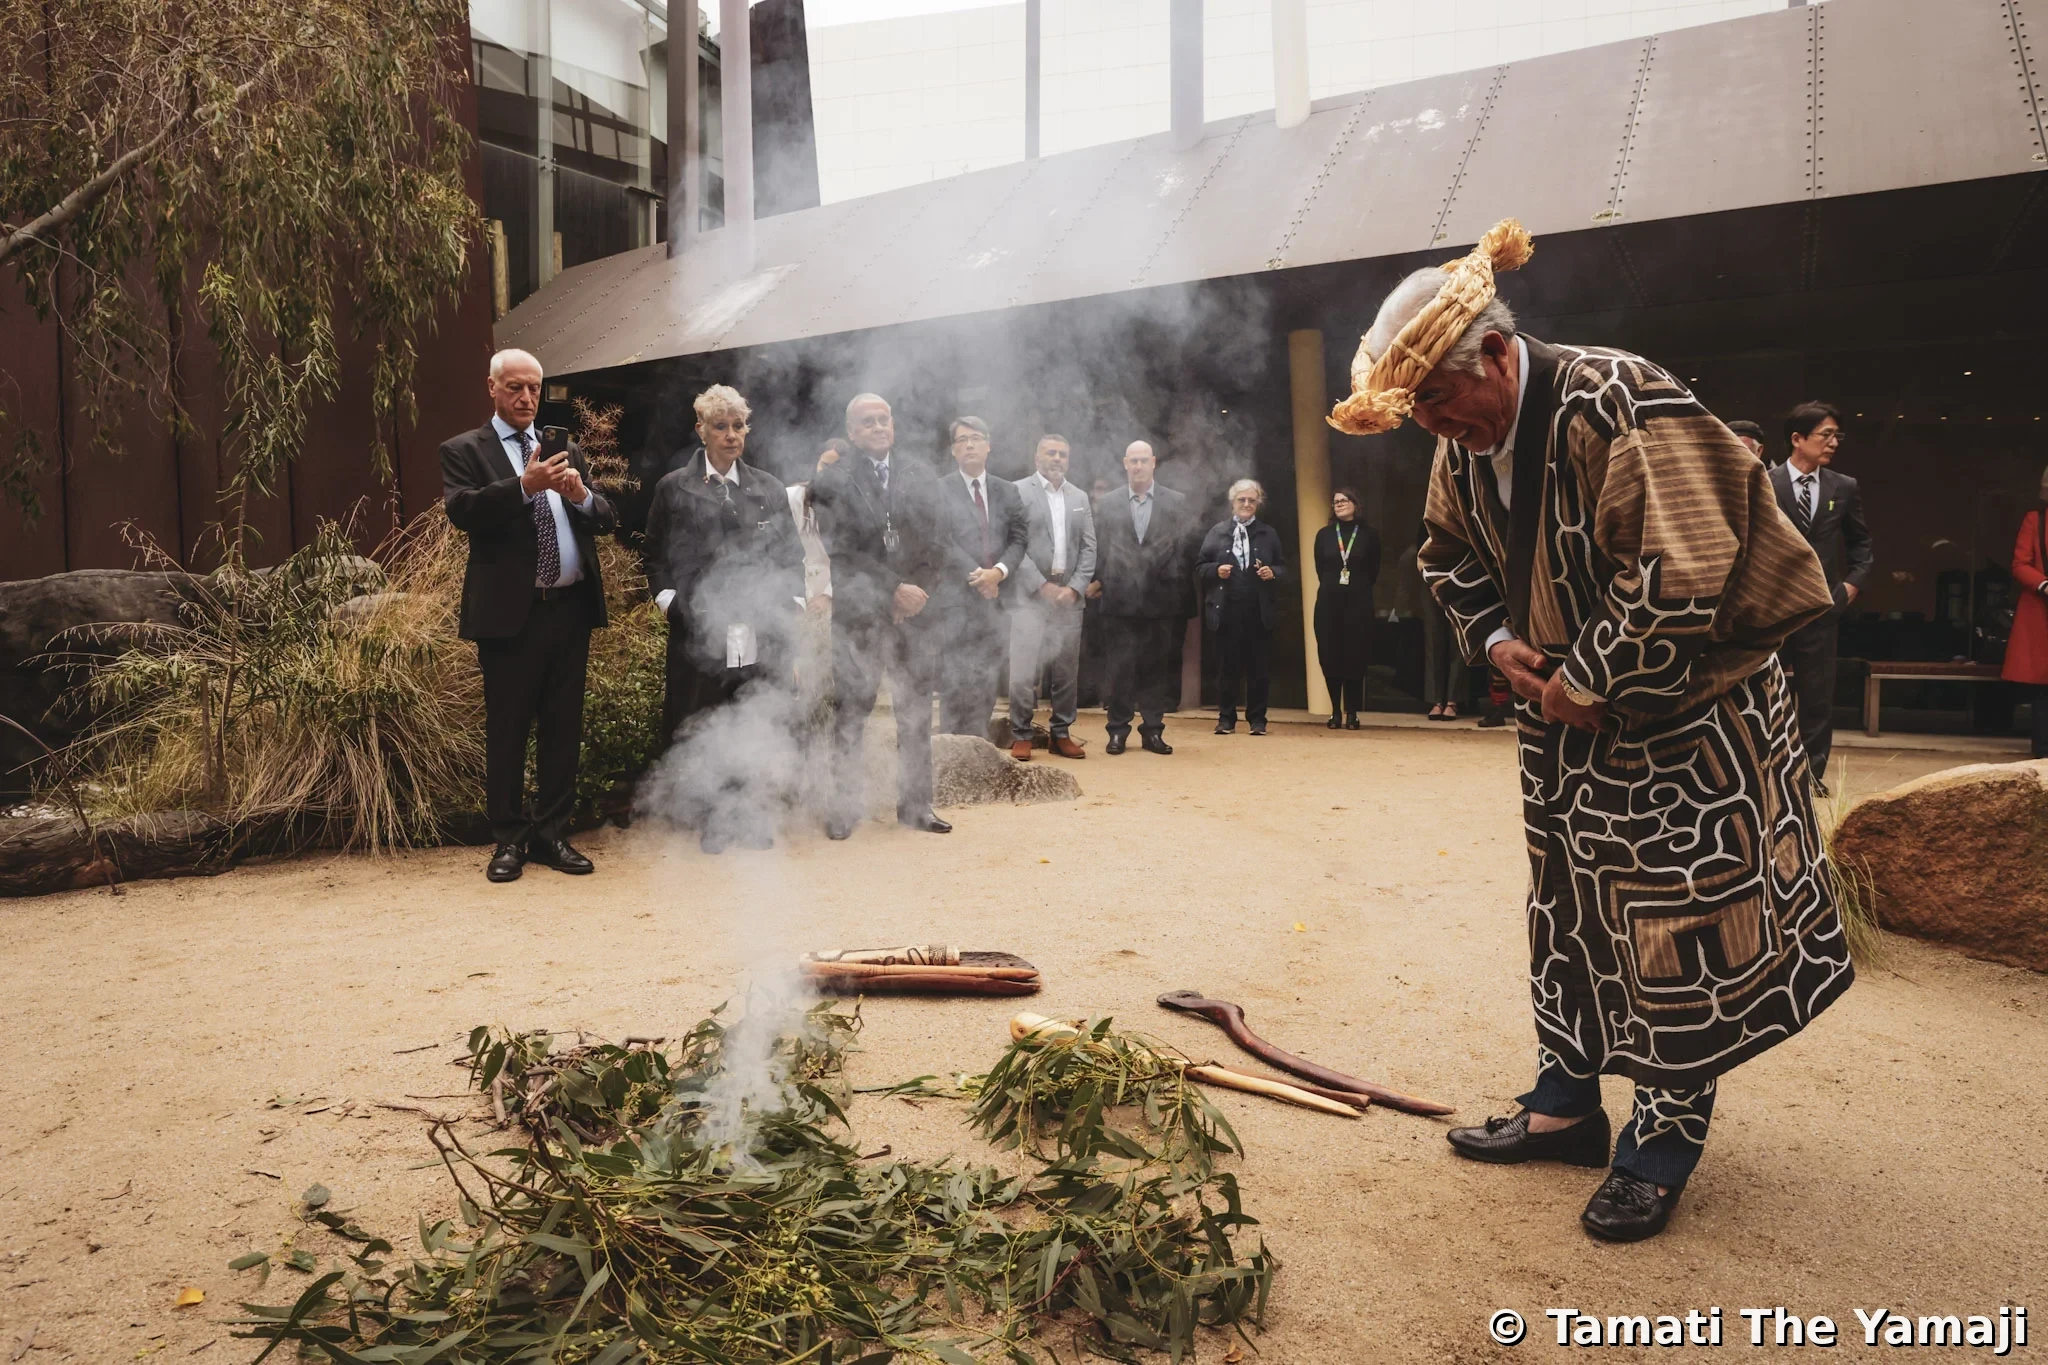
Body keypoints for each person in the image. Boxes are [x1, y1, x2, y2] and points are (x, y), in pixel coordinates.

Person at [1330, 219, 1852, 1242]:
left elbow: (1681, 567)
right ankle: (1566, 1103)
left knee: (1672, 922)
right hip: (1559, 718)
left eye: (1438, 400)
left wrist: (1589, 678)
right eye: (1417, 412)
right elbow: (1444, 554)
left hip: (1687, 716)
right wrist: (1497, 644)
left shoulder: (1618, 396)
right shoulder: (1461, 440)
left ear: (1493, 352)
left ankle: (1661, 1140)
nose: (1434, 426)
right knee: (1564, 905)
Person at [440, 348, 618, 883]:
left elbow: (606, 517)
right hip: (510, 616)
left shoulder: (566, 449)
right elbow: (463, 511)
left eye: (534, 388)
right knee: (509, 731)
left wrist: (580, 495)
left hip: (570, 611)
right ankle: (510, 839)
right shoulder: (464, 449)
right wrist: (525, 485)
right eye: (514, 387)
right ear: (491, 387)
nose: (525, 398)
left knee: (563, 729)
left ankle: (550, 834)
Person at [642, 384, 805, 852]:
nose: (732, 435)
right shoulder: (674, 487)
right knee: (705, 718)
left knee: (753, 713)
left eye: (739, 426)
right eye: (721, 426)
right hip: (700, 626)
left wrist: (786, 606)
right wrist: (670, 603)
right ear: (702, 430)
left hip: (760, 624)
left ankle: (751, 814)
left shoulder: (768, 487)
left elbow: (792, 556)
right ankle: (713, 818)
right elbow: (653, 555)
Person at [808, 393, 951, 838]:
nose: (877, 426)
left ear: (894, 425)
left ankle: (917, 805)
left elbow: (939, 542)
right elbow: (840, 550)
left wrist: (917, 592)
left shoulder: (921, 474)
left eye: (883, 419)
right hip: (860, 615)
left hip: (916, 615)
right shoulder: (831, 481)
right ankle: (845, 807)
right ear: (852, 432)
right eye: (867, 421)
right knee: (852, 710)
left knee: (915, 712)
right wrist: (893, 590)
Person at [1770, 401, 1874, 796]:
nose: (1833, 443)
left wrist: (1851, 585)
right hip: (1772, 607)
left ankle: (1811, 777)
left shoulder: (1843, 486)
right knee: (1767, 693)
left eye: (1836, 436)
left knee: (1817, 696)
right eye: (1825, 435)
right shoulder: (1765, 482)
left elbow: (1861, 542)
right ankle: (1766, 771)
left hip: (1822, 605)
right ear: (1797, 439)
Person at [1094, 441, 1196, 754]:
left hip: (1161, 598)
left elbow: (1185, 546)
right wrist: (1103, 580)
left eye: (1143, 460)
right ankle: (1117, 731)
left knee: (1156, 668)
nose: (1138, 466)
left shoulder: (1175, 501)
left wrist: (1173, 578)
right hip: (1119, 599)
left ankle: (1153, 730)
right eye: (1133, 461)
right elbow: (1100, 546)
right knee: (1120, 668)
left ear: (1153, 463)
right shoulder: (1108, 503)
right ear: (1125, 464)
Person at [931, 416, 1027, 738]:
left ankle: (978, 744)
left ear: (988, 446)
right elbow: (941, 540)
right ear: (953, 450)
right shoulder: (939, 489)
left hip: (997, 599)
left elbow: (1019, 539)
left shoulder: (1008, 490)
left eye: (976, 438)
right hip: (956, 601)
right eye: (961, 440)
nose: (969, 445)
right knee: (954, 678)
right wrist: (980, 577)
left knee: (987, 678)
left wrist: (997, 573)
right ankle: (952, 748)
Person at [1007, 434, 1097, 760]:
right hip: (1030, 596)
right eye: (1051, 453)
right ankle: (1021, 733)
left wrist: (1075, 587)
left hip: (1069, 598)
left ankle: (1061, 733)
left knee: (1066, 672)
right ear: (1037, 458)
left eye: (1062, 454)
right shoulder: (1018, 491)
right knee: (1023, 668)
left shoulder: (1079, 497)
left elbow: (1089, 547)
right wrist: (1041, 585)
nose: (1057, 458)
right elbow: (1013, 543)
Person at [1197, 479, 1288, 736]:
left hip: (1258, 611)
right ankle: (1226, 719)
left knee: (1259, 669)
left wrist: (1273, 572)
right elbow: (1199, 567)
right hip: (1226, 611)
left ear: (1258, 503)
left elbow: (1283, 566)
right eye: (1242, 500)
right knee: (1228, 668)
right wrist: (1216, 570)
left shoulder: (1268, 533)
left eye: (1251, 500)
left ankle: (1258, 720)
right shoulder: (1217, 532)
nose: (1246, 504)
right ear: (1232, 503)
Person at [1312, 487, 1380, 728]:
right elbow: (1320, 569)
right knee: (1330, 656)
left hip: (1358, 606)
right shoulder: (1324, 535)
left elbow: (1373, 571)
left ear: (1355, 504)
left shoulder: (1369, 535)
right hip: (1329, 605)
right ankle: (1335, 711)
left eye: (1344, 500)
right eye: (1335, 502)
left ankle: (1352, 712)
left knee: (1355, 657)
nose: (1339, 504)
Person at [2004, 464, 2048, 758]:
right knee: (2044, 688)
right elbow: (2020, 564)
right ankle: (2044, 753)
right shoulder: (2036, 520)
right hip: (2042, 610)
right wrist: (2043, 585)